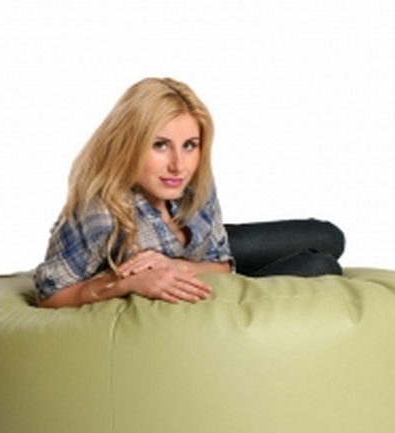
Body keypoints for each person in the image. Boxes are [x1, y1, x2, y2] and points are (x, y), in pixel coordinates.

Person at [34, 77, 344, 309]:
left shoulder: (193, 182)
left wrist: (180, 266)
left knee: (329, 237)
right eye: (160, 145)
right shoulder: (101, 211)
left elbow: (224, 263)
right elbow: (49, 295)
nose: (178, 166)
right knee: (321, 267)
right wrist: (123, 283)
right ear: (129, 144)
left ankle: (245, 278)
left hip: (199, 264)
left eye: (189, 145)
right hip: (197, 301)